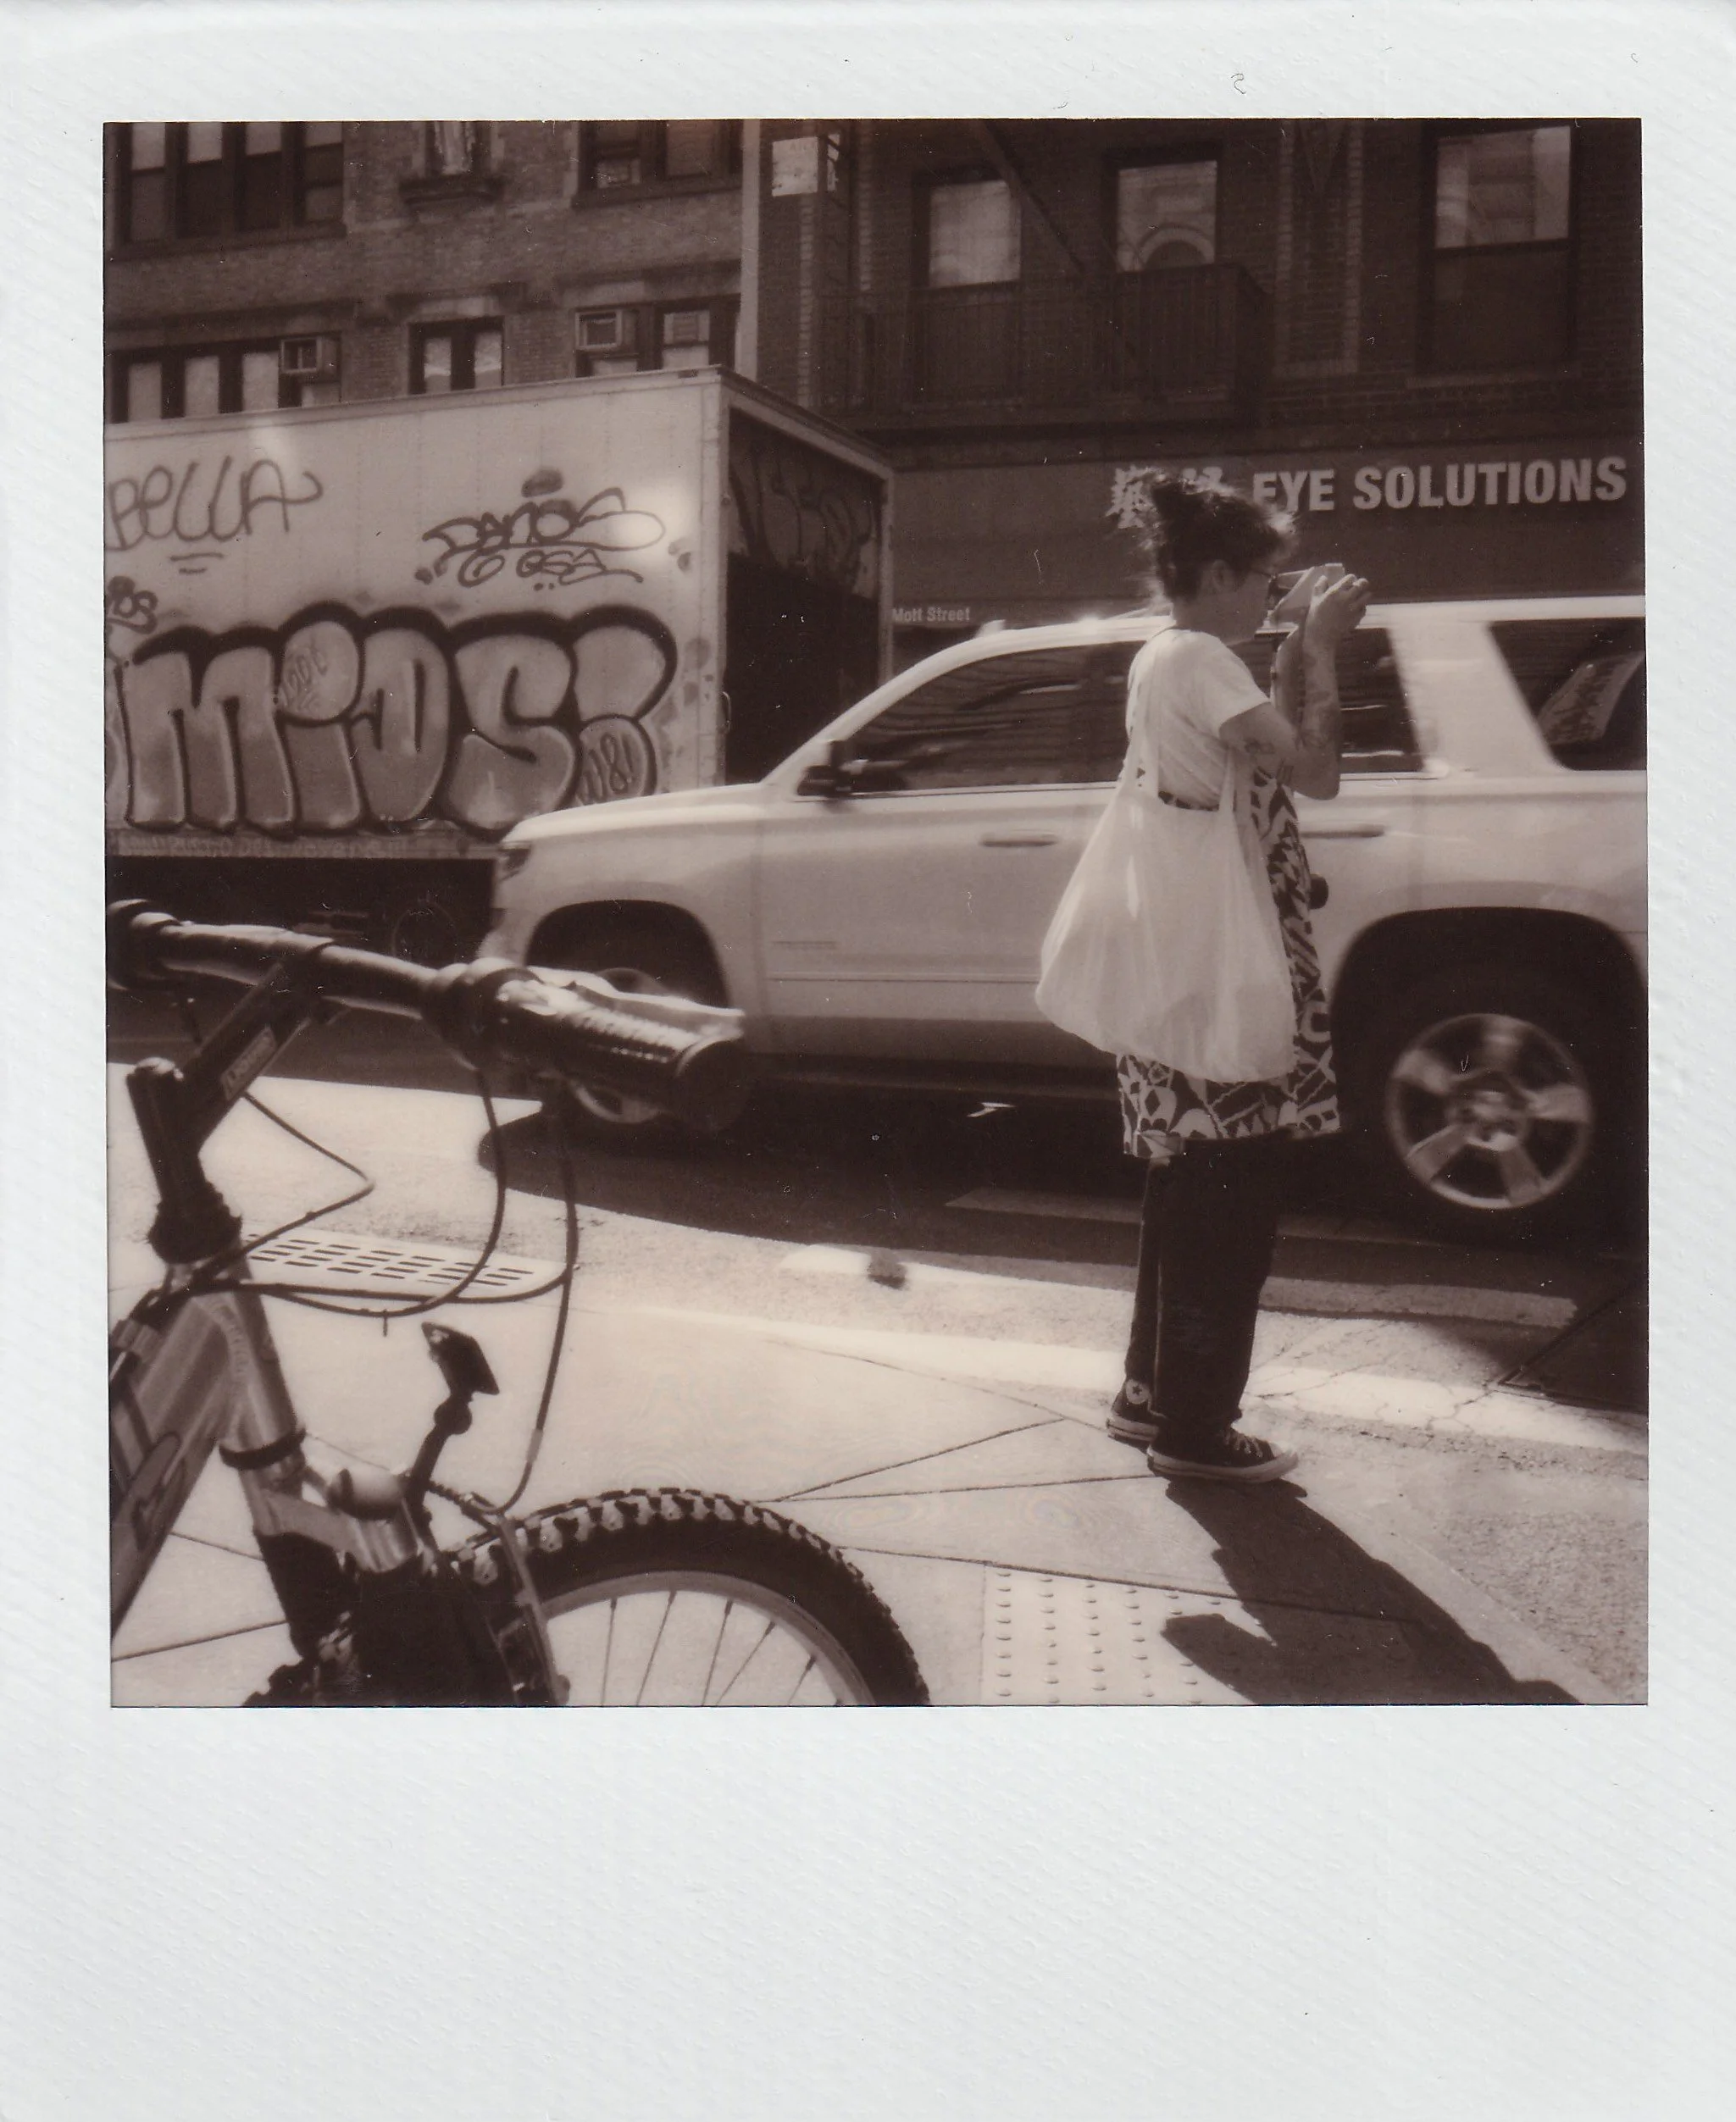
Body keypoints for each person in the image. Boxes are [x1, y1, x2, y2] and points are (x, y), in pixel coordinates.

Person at [1106, 472, 1370, 1483]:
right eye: (1264, 576)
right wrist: (1323, 648)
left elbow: (1269, 752)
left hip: (1189, 957)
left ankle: (1151, 1391)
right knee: (1233, 1192)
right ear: (1216, 573)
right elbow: (1316, 770)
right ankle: (1195, 1428)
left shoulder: (1171, 658)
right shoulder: (1205, 663)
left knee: (1186, 1179)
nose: (1275, 592)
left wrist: (1297, 639)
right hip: (1229, 966)